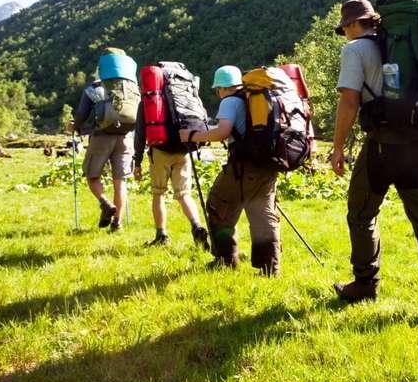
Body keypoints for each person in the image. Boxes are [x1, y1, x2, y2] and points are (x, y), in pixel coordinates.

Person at [329, 0, 418, 319]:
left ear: (350, 25)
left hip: (382, 145)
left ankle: (365, 283)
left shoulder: (355, 50)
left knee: (361, 213)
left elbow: (349, 101)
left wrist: (337, 147)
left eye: (344, 29)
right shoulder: (399, 44)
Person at [179, 65, 282, 276]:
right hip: (269, 163)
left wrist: (191, 136)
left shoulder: (230, 101)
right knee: (263, 214)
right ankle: (271, 268)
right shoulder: (255, 97)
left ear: (221, 88)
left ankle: (225, 260)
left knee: (219, 205)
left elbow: (222, 132)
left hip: (243, 166)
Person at [70, 47, 136, 232]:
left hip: (101, 137)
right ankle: (117, 223)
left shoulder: (94, 88)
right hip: (125, 137)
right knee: (120, 181)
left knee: (92, 176)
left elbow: (82, 115)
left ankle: (105, 203)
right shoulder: (131, 87)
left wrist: (74, 126)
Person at [132, 99, 209, 249]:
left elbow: (140, 133)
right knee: (184, 194)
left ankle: (161, 235)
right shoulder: (182, 94)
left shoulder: (150, 99)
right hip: (183, 149)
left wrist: (138, 161)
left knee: (158, 193)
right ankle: (196, 226)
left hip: (160, 150)